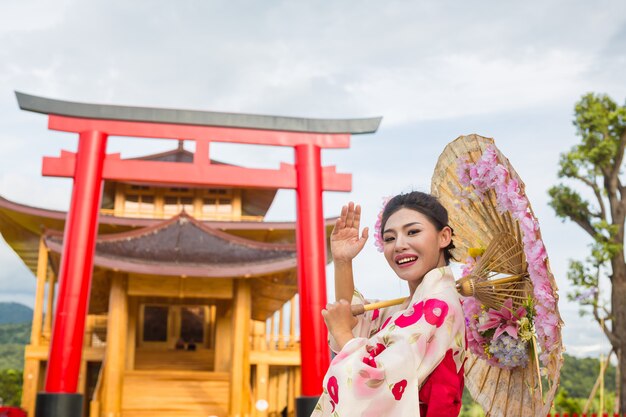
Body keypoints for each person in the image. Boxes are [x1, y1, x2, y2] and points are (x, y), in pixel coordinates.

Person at [311, 192, 466, 417]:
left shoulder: (437, 307)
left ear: (444, 237)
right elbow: (357, 324)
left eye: (413, 232)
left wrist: (342, 332)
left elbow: (376, 382)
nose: (399, 245)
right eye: (390, 238)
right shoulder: (413, 307)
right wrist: (343, 262)